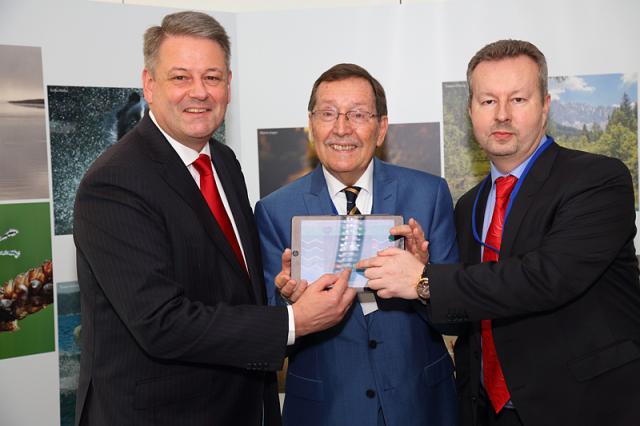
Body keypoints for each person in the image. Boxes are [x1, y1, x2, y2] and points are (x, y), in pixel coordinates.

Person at [73, 11, 355, 426]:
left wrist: (284, 295)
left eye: (212, 77)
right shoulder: (114, 182)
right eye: (181, 77)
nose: (199, 92)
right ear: (149, 85)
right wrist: (292, 321)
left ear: (228, 85)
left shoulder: (222, 161)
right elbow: (160, 323)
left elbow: (225, 287)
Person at [357, 39, 640, 426]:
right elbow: (461, 319)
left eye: (518, 100)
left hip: (582, 407)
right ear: (471, 111)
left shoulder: (597, 180)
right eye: (488, 101)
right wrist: (425, 279)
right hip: (486, 411)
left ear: (545, 107)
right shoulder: (468, 205)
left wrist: (426, 280)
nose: (502, 115)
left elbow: (547, 278)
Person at [255, 63, 459, 426]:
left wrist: (424, 280)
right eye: (328, 114)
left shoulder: (429, 194)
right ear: (312, 125)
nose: (342, 128)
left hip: (420, 404)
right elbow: (271, 325)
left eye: (358, 114)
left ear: (381, 128)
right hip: (325, 408)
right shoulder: (274, 210)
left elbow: (456, 316)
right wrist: (288, 300)